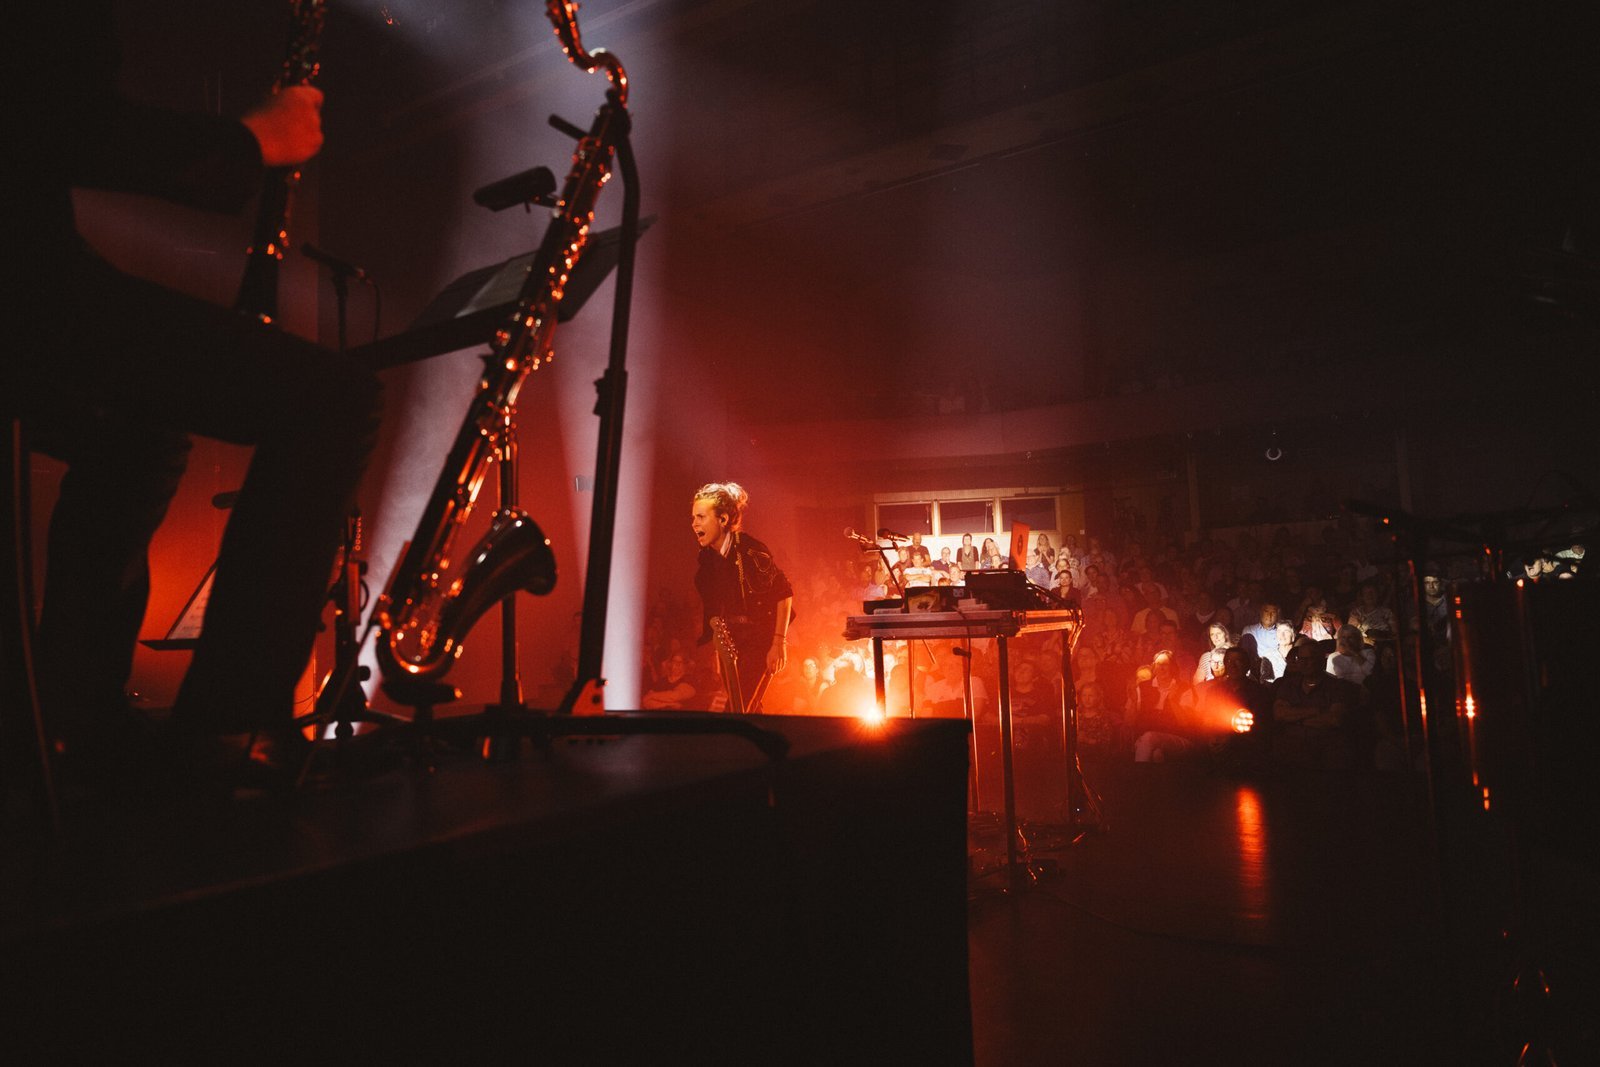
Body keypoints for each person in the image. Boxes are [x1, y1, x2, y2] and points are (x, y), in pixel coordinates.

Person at [11, 6, 383, 785]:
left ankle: (72, 723)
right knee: (335, 399)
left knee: (139, 435)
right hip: (26, 295)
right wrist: (250, 142)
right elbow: (61, 119)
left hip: (32, 286)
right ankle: (226, 735)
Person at [691, 482, 794, 713]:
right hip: (733, 641)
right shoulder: (707, 559)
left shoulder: (750, 551)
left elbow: (784, 594)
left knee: (738, 709)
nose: (694, 523)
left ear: (723, 519)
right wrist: (718, 650)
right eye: (693, 518)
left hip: (761, 640)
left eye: (701, 517)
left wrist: (778, 643)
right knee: (749, 708)